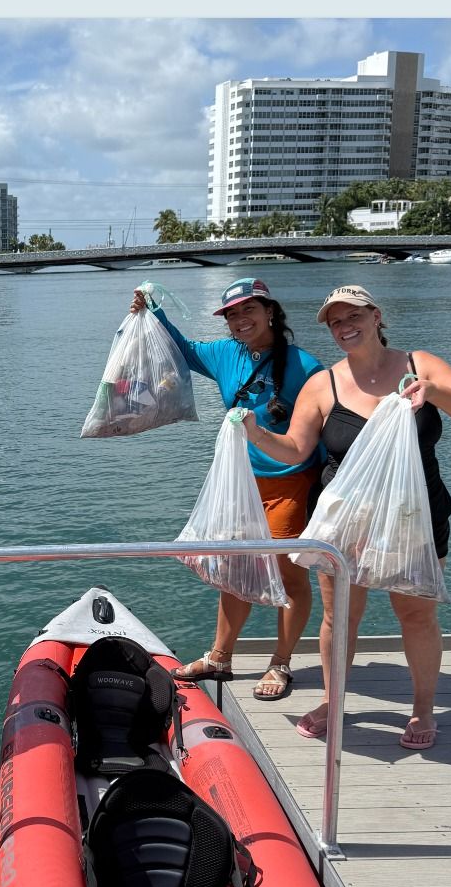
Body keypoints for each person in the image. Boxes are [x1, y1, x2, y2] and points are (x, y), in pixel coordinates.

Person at [238, 284, 451, 750]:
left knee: (415, 614)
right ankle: (334, 703)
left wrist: (432, 393)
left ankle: (422, 708)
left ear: (376, 316)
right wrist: (253, 432)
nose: (344, 326)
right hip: (345, 524)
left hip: (416, 515)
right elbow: (295, 449)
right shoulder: (323, 384)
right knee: (339, 617)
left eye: (352, 315)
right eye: (334, 321)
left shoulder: (421, 365)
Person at [129, 277, 326, 701]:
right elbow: (179, 348)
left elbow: (327, 426)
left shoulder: (306, 367)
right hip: (241, 483)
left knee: (290, 576)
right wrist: (151, 309)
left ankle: (281, 663)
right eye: (232, 314)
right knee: (233, 572)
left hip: (291, 483)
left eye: (248, 310)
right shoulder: (223, 354)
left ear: (270, 310)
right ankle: (220, 657)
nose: (240, 320)